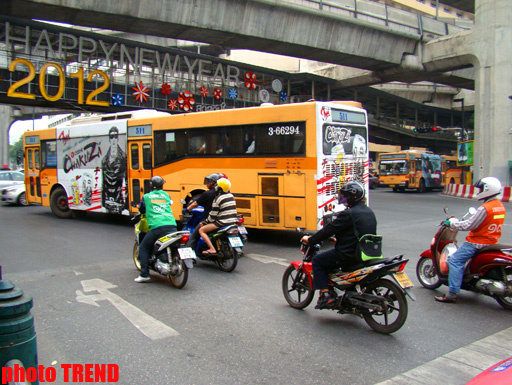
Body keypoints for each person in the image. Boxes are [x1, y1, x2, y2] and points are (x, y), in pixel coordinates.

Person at [301, 181, 377, 309]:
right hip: (367, 252)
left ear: (353, 197)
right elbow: (360, 232)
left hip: (350, 254)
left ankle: (325, 295)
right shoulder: (368, 211)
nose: (344, 199)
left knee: (318, 261)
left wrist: (311, 240)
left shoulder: (349, 213)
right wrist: (340, 240)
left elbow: (328, 230)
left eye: (346, 196)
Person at [435, 177, 506, 303]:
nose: (479, 191)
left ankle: (452, 294)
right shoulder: (499, 206)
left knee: (455, 261)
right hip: (491, 241)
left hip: (476, 243)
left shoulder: (485, 208)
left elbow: (469, 225)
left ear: (487, 190)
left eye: (481, 189)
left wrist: (452, 224)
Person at [134, 176, 177, 283]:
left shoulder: (146, 196)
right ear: (162, 185)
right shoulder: (166, 195)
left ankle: (144, 274)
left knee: (144, 247)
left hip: (157, 226)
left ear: (150, 185)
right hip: (172, 225)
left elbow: (142, 209)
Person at [198, 178, 238, 254]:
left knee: (201, 230)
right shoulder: (231, 196)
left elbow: (213, 215)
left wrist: (205, 222)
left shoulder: (218, 198)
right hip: (233, 222)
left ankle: (212, 248)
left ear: (219, 188)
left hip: (222, 223)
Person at [186, 173, 221, 250]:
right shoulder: (224, 193)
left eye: (209, 182)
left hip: (209, 220)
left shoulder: (208, 193)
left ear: (213, 183)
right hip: (222, 220)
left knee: (193, 237)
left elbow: (196, 203)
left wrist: (187, 209)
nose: (207, 184)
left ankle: (190, 257)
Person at [101, 126, 127, 214]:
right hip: (107, 198)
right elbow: (103, 183)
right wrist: (103, 202)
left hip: (118, 197)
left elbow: (126, 181)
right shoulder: (104, 160)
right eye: (111, 137)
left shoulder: (124, 157)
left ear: (118, 138)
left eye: (115, 136)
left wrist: (126, 203)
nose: (114, 139)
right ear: (109, 139)